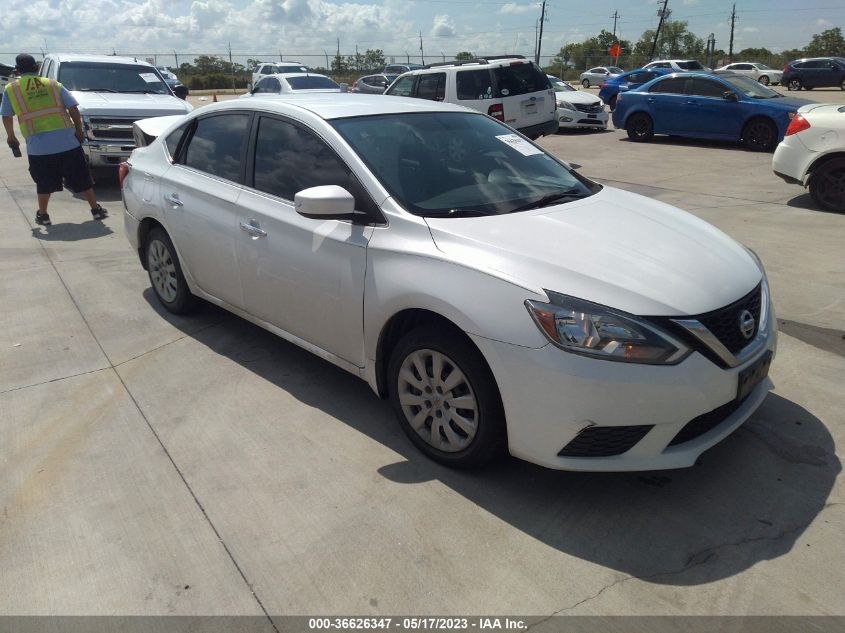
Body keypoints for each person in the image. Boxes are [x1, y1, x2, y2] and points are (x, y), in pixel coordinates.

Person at [2, 53, 107, 227]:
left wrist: (11, 137)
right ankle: (95, 210)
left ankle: (43, 215)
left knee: (44, 182)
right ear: (36, 68)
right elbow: (73, 108)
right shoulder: (52, 84)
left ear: (18, 71)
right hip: (67, 141)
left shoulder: (11, 90)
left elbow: (6, 116)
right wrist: (79, 131)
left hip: (39, 147)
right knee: (81, 178)